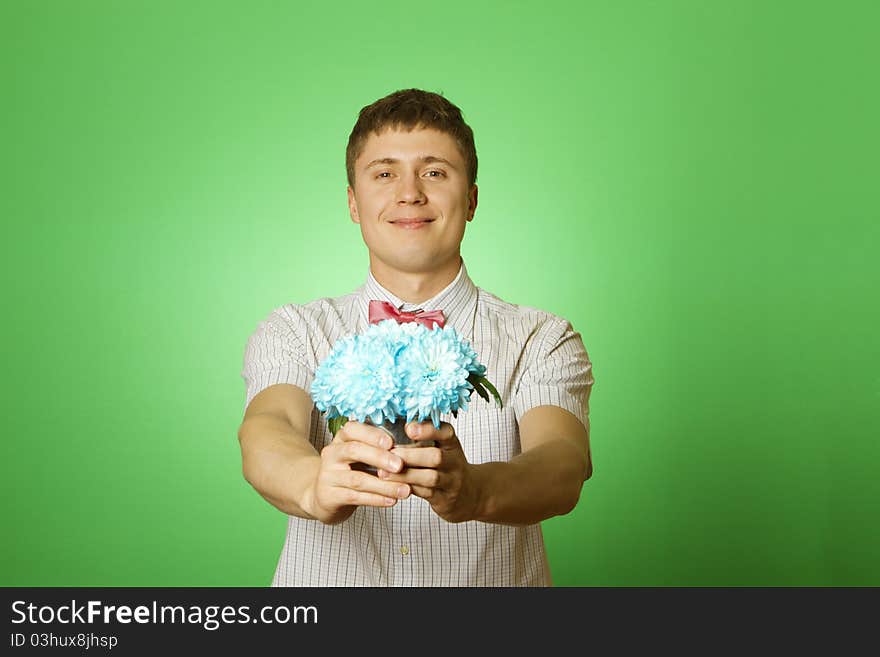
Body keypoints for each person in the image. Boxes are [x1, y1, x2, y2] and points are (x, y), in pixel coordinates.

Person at [238, 88, 595, 586]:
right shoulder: (296, 331)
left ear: (470, 199)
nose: (410, 193)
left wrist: (475, 491)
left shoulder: (542, 337)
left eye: (435, 172)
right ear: (353, 203)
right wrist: (314, 484)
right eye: (384, 173)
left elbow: (562, 462)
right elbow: (266, 428)